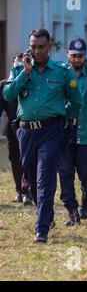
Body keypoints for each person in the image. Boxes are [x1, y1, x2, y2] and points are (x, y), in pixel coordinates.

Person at [3, 28, 82, 243]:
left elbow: (76, 102)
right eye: (33, 47)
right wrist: (24, 73)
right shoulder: (19, 68)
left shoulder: (61, 71)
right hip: (26, 132)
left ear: (50, 47)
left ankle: (42, 229)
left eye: (41, 47)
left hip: (51, 131)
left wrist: (65, 120)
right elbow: (8, 94)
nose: (36, 51)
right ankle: (46, 214)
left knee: (45, 176)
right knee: (29, 175)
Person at [58, 37, 87, 226]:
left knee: (86, 173)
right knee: (66, 172)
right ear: (68, 54)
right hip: (64, 133)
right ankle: (71, 211)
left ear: (85, 56)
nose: (77, 59)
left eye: (81, 56)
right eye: (74, 55)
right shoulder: (60, 74)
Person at [0, 54, 31, 205]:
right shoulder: (4, 85)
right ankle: (19, 190)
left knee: (28, 159)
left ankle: (27, 191)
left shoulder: (31, 84)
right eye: (16, 64)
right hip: (11, 130)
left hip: (29, 128)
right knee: (15, 159)